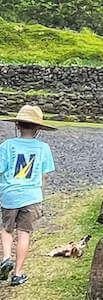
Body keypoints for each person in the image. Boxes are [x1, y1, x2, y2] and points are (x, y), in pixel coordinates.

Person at [0, 105, 56, 287]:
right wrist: (40, 193)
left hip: (10, 194)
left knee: (7, 229)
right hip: (32, 195)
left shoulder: (7, 146)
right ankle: (17, 274)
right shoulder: (43, 148)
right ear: (38, 128)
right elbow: (45, 175)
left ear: (17, 125)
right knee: (24, 233)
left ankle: (6, 257)